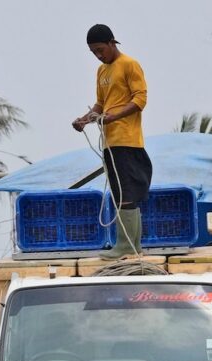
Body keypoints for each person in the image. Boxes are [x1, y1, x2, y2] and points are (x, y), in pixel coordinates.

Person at [71, 23, 152, 260]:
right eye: (93, 52)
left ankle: (126, 245)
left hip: (127, 140)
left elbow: (140, 99)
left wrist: (115, 116)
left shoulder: (129, 64)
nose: (98, 55)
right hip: (109, 141)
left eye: (100, 49)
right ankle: (132, 246)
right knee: (119, 191)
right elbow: (100, 104)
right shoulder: (102, 72)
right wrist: (84, 120)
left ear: (111, 43)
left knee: (126, 190)